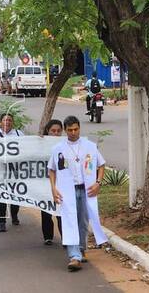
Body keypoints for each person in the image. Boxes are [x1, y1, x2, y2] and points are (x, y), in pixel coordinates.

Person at [48, 116, 107, 271]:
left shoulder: (90, 146)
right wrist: (53, 189)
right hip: (67, 191)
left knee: (82, 221)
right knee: (69, 221)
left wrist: (98, 183)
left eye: (76, 129)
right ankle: (74, 256)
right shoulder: (58, 149)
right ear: (65, 130)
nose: (73, 132)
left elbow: (101, 166)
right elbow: (52, 170)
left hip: (86, 190)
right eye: (70, 130)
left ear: (79, 128)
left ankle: (81, 250)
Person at [0, 113, 24, 232]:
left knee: (15, 195)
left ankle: (14, 215)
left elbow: (27, 147)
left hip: (15, 170)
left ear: (13, 122)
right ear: (0, 122)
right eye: (5, 120)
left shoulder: (19, 134)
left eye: (10, 120)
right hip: (0, 170)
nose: (7, 122)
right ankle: (2, 222)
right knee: (1, 197)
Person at [41, 119, 63, 245]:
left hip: (60, 184)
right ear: (47, 131)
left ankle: (65, 238)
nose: (55, 134)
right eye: (53, 131)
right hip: (43, 183)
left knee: (61, 211)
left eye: (58, 131)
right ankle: (48, 236)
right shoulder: (41, 143)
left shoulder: (66, 144)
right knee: (46, 210)